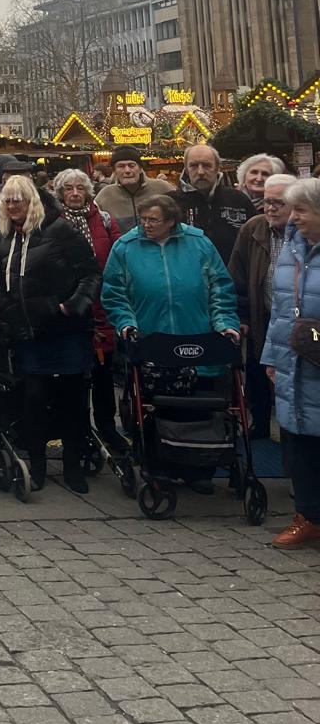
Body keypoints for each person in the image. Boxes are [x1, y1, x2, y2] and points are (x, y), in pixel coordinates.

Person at [102, 192, 240, 490]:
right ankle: (160, 465)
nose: (146, 225)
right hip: (152, 341)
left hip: (198, 338)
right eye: (143, 219)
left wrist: (225, 324)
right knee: (158, 408)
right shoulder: (126, 247)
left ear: (172, 222)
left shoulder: (199, 243)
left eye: (154, 220)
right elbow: (114, 293)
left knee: (199, 407)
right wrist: (126, 324)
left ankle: (199, 470)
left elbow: (220, 287)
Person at [0, 175, 99, 494]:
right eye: (7, 200)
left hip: (64, 330)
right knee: (33, 400)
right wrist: (2, 308)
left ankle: (73, 466)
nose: (12, 205)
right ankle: (35, 467)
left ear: (32, 201)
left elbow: (90, 273)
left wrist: (72, 306)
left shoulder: (61, 230)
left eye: (18, 199)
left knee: (72, 401)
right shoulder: (5, 236)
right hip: (28, 331)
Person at [261, 179, 320, 548]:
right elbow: (280, 310)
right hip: (292, 361)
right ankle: (309, 516)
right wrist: (271, 357)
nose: (292, 217)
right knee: (297, 443)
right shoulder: (291, 250)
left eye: (301, 210)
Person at [48, 167, 124, 450]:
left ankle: (107, 427)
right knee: (74, 376)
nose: (75, 193)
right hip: (69, 306)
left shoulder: (104, 220)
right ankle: (77, 430)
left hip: (102, 306)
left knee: (104, 375)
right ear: (60, 193)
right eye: (69, 188)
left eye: (80, 188)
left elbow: (117, 257)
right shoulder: (52, 221)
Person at [230, 173, 294, 438]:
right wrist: (241, 316)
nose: (270, 208)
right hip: (262, 315)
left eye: (278, 203)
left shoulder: (307, 231)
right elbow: (238, 277)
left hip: (297, 322)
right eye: (267, 201)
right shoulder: (253, 228)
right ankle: (260, 422)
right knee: (257, 370)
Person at [178, 145, 256, 262]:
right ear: (186, 169)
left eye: (207, 165)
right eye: (194, 165)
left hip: (232, 276)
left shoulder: (238, 200)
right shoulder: (172, 203)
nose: (200, 172)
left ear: (217, 168)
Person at [93, 147, 175, 233]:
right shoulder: (105, 196)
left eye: (131, 165)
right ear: (115, 171)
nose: (127, 170)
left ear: (140, 169)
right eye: (121, 166)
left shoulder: (163, 188)